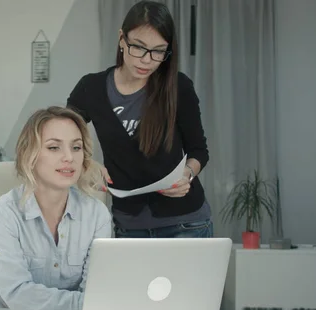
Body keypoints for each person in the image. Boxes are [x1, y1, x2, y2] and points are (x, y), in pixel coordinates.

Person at [67, 1, 212, 239]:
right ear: (122, 39)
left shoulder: (179, 87)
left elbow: (199, 150)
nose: (147, 60)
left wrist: (187, 174)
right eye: (138, 47)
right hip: (129, 225)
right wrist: (86, 163)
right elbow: (63, 135)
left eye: (158, 51)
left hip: (186, 223)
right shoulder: (90, 88)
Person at [0, 106, 112, 310]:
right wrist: (95, 305)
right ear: (29, 154)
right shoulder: (0, 215)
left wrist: (97, 304)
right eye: (54, 148)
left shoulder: (97, 214)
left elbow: (95, 289)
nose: (69, 157)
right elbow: (17, 295)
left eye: (76, 147)